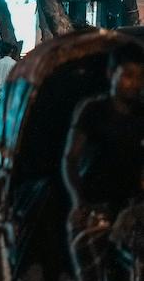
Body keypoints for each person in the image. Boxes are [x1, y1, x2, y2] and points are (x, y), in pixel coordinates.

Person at [62, 41, 144, 281]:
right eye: (128, 75)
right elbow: (70, 160)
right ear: (111, 74)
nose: (135, 83)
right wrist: (79, 201)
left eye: (141, 77)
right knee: (89, 255)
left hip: (134, 208)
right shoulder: (92, 110)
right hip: (95, 205)